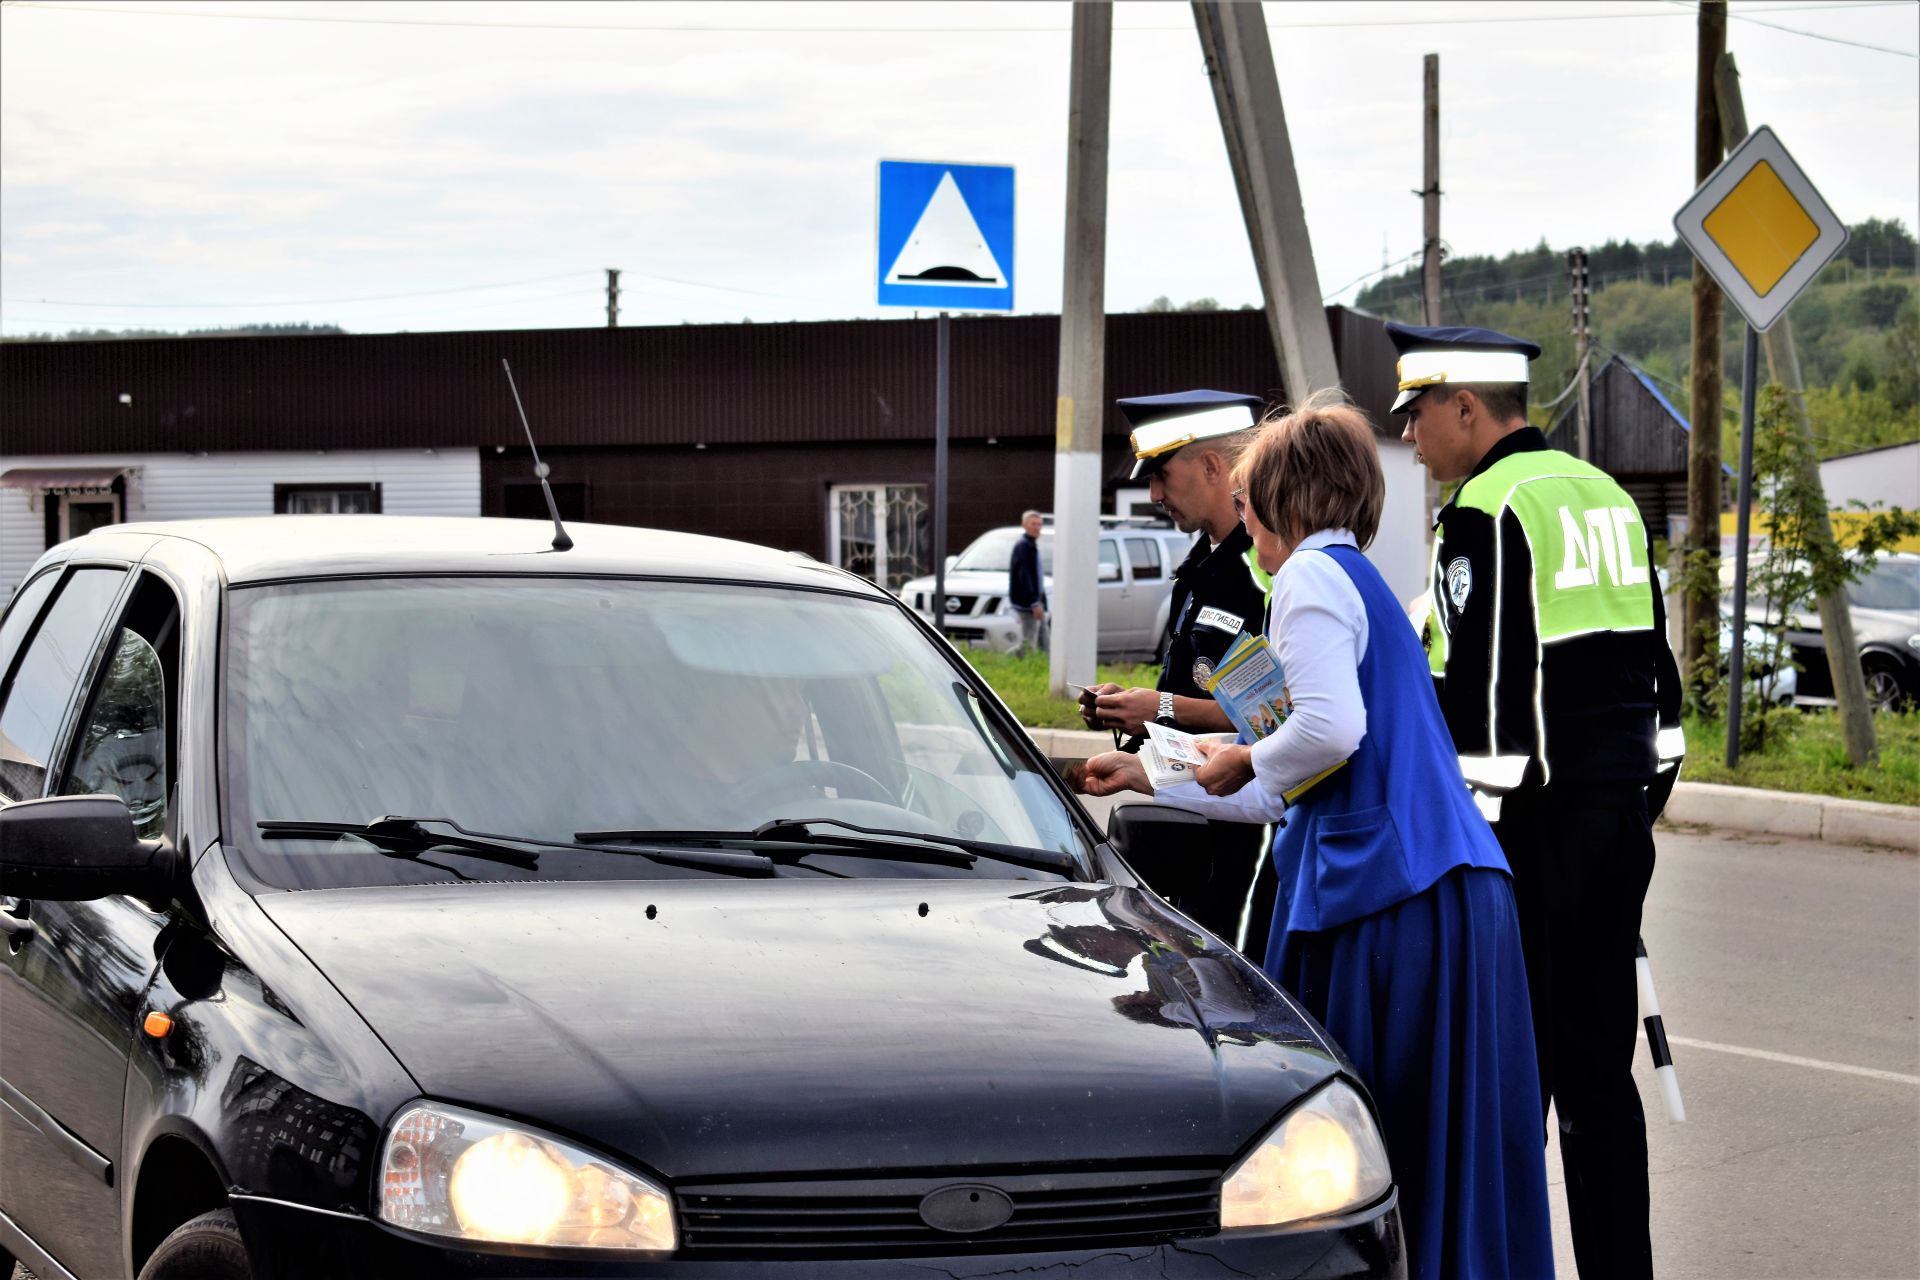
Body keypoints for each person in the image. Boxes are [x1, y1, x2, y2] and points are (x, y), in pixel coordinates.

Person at [1079, 391, 1554, 1280]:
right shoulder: (1355, 581)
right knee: (1426, 1146)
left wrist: (1238, 757)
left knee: (1351, 1148)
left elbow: (1325, 736)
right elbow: (1287, 790)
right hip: (1437, 888)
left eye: (1252, 516)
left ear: (1285, 505)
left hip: (1396, 901)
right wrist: (1156, 774)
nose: (1249, 539)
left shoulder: (1304, 577)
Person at [1391, 321, 1685, 1280]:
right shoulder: (1606, 496)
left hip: (1529, 844)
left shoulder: (1482, 510)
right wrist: (1632, 809)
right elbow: (1659, 684)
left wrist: (1461, 850)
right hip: (1615, 823)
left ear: (1466, 408)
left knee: (1512, 1086)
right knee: (1601, 1084)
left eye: (1419, 415)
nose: (1411, 438)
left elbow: (1479, 709)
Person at [1077, 389, 1276, 957]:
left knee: (1232, 984)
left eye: (1162, 474)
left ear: (1213, 465)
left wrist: (1158, 708)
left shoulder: (1263, 567)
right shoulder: (1202, 563)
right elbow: (1189, 688)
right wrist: (1133, 710)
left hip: (1241, 834)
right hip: (1187, 809)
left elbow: (1271, 720)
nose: (1154, 493)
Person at [1008, 509, 1048, 655]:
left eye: (1039, 524)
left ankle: (1048, 668)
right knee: (1028, 642)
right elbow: (1024, 576)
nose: (1037, 528)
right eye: (1033, 524)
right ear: (1024, 525)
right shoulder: (1023, 547)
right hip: (1027, 603)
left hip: (1037, 600)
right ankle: (1009, 660)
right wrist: (1033, 602)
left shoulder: (1031, 546)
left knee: (1044, 639)